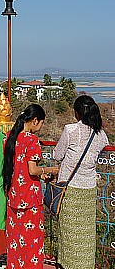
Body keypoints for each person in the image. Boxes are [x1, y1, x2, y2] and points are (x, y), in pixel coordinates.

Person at [53, 95, 109, 269]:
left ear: (77, 112)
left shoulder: (70, 130)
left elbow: (57, 155)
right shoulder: (100, 134)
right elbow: (103, 153)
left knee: (69, 233)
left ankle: (67, 265)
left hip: (70, 189)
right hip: (88, 189)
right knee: (86, 234)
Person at [2, 104, 59, 269]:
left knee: (15, 239)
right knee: (32, 239)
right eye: (41, 123)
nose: (40, 127)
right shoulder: (32, 140)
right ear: (35, 121)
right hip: (30, 197)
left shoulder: (10, 137)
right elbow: (32, 169)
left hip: (14, 194)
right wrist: (49, 169)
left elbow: (17, 166)